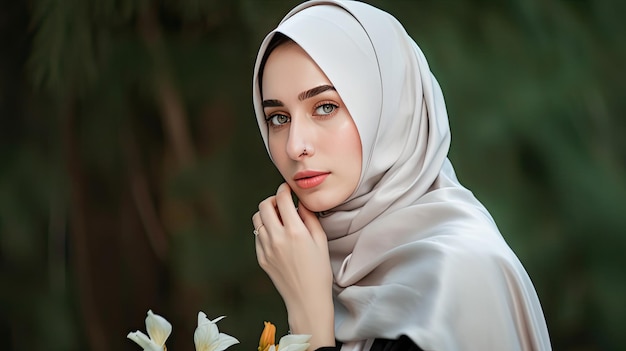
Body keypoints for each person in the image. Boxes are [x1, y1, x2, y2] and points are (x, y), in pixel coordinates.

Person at [250, 1, 551, 350]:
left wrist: (309, 319)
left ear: (390, 111)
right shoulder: (319, 265)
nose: (294, 146)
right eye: (278, 118)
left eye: (325, 107)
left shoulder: (464, 275)